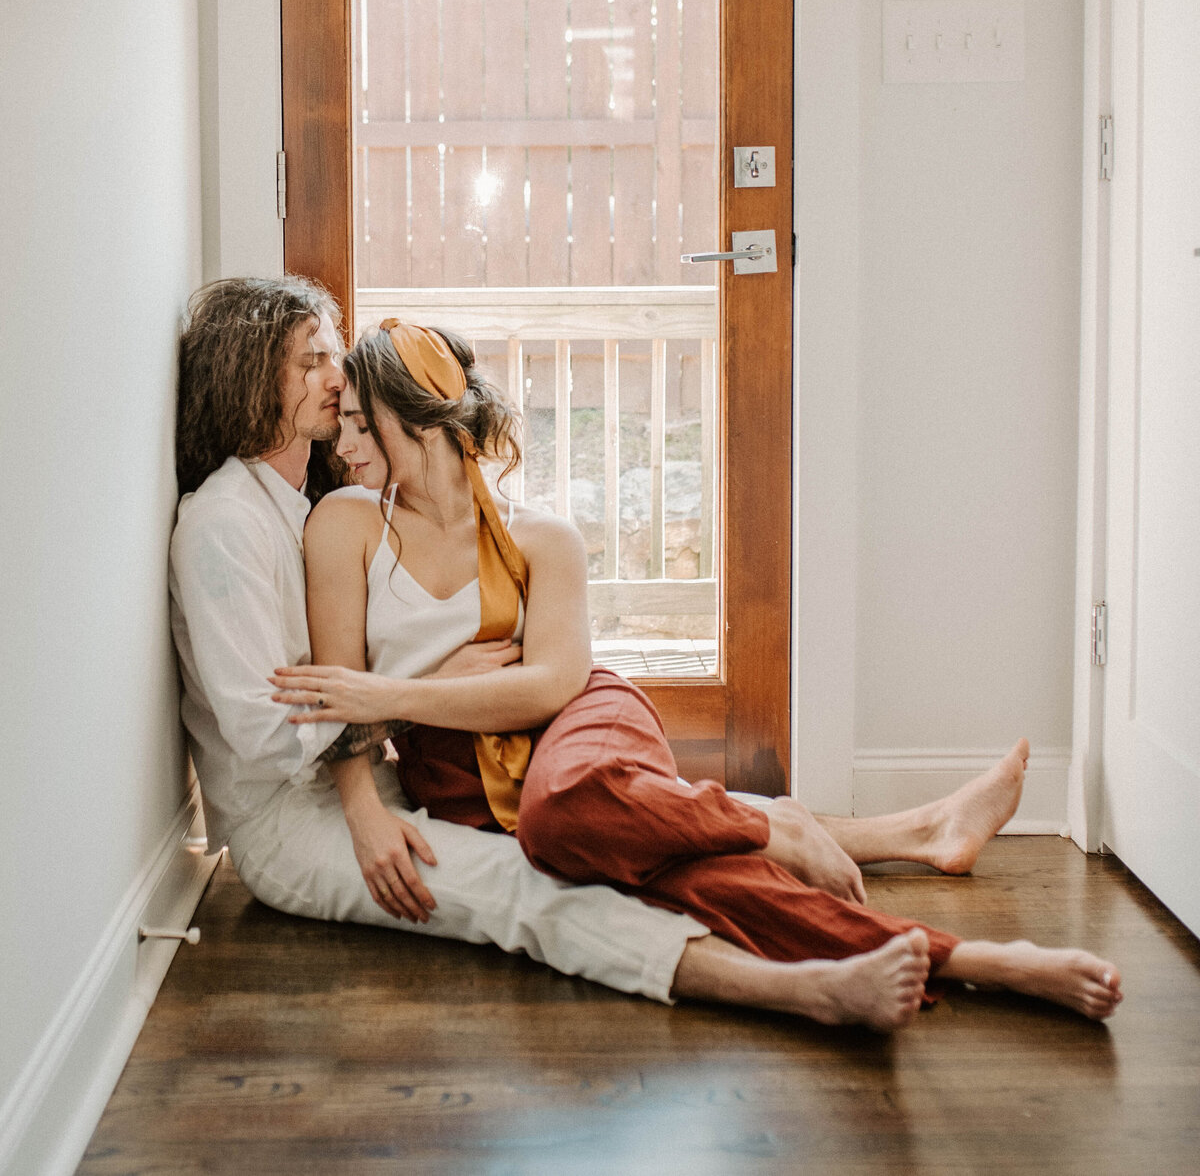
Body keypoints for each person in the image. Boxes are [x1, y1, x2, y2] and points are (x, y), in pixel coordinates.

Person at [272, 319, 1123, 1026]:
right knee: (707, 881)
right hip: (461, 777)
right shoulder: (343, 525)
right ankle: (979, 959)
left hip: (579, 727)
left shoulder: (542, 537)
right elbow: (337, 698)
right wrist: (376, 779)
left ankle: (779, 826)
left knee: (559, 808)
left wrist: (400, 696)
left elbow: (548, 685)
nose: (340, 445)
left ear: (419, 420)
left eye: (359, 422)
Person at [171, 276, 938, 1030]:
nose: (338, 380)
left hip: (370, 777)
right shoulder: (223, 527)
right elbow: (266, 737)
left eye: (333, 356)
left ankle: (894, 851)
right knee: (530, 885)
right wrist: (415, 691)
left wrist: (393, 715)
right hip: (290, 826)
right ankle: (802, 991)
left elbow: (362, 688)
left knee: (603, 826)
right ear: (245, 377)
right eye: (310, 360)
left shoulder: (302, 505)